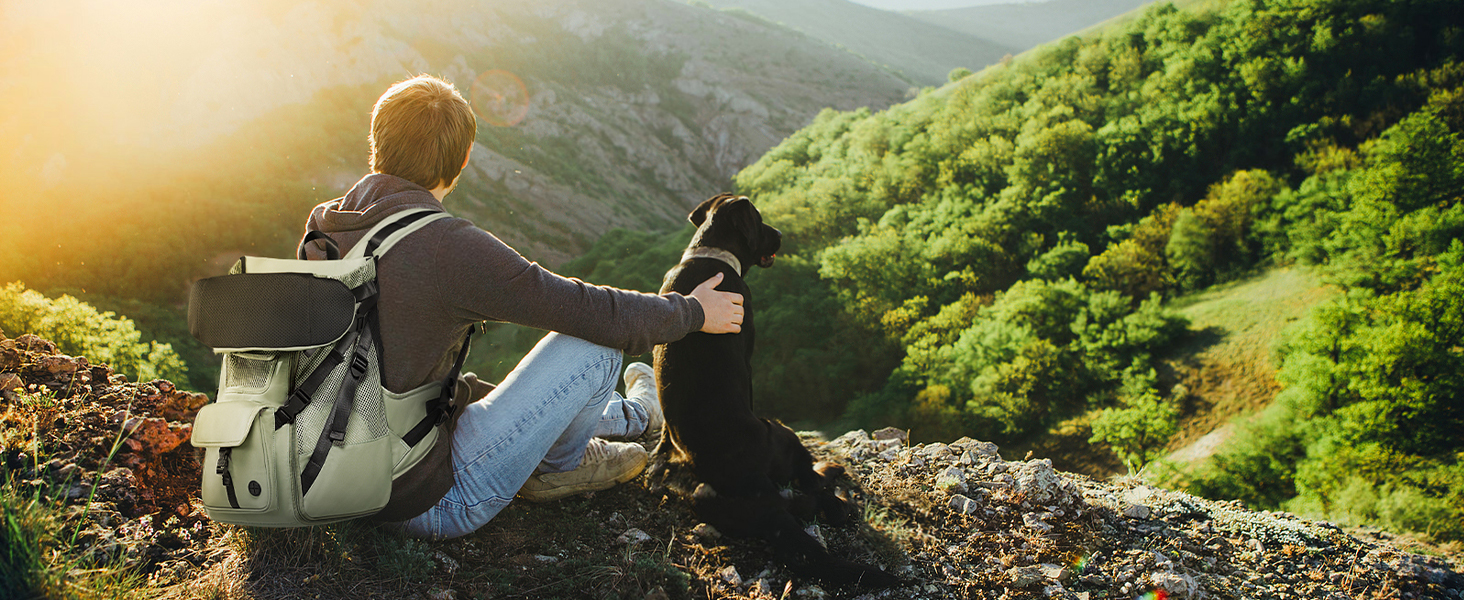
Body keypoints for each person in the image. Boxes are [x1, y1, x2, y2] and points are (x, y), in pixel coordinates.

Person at [297, 74, 744, 540]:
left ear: (376, 143)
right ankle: (559, 465)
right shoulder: (448, 247)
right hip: (422, 500)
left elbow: (376, 366)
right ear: (464, 160)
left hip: (329, 473)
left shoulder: (327, 224)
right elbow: (588, 310)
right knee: (596, 348)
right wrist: (692, 311)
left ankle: (636, 415)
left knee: (489, 391)